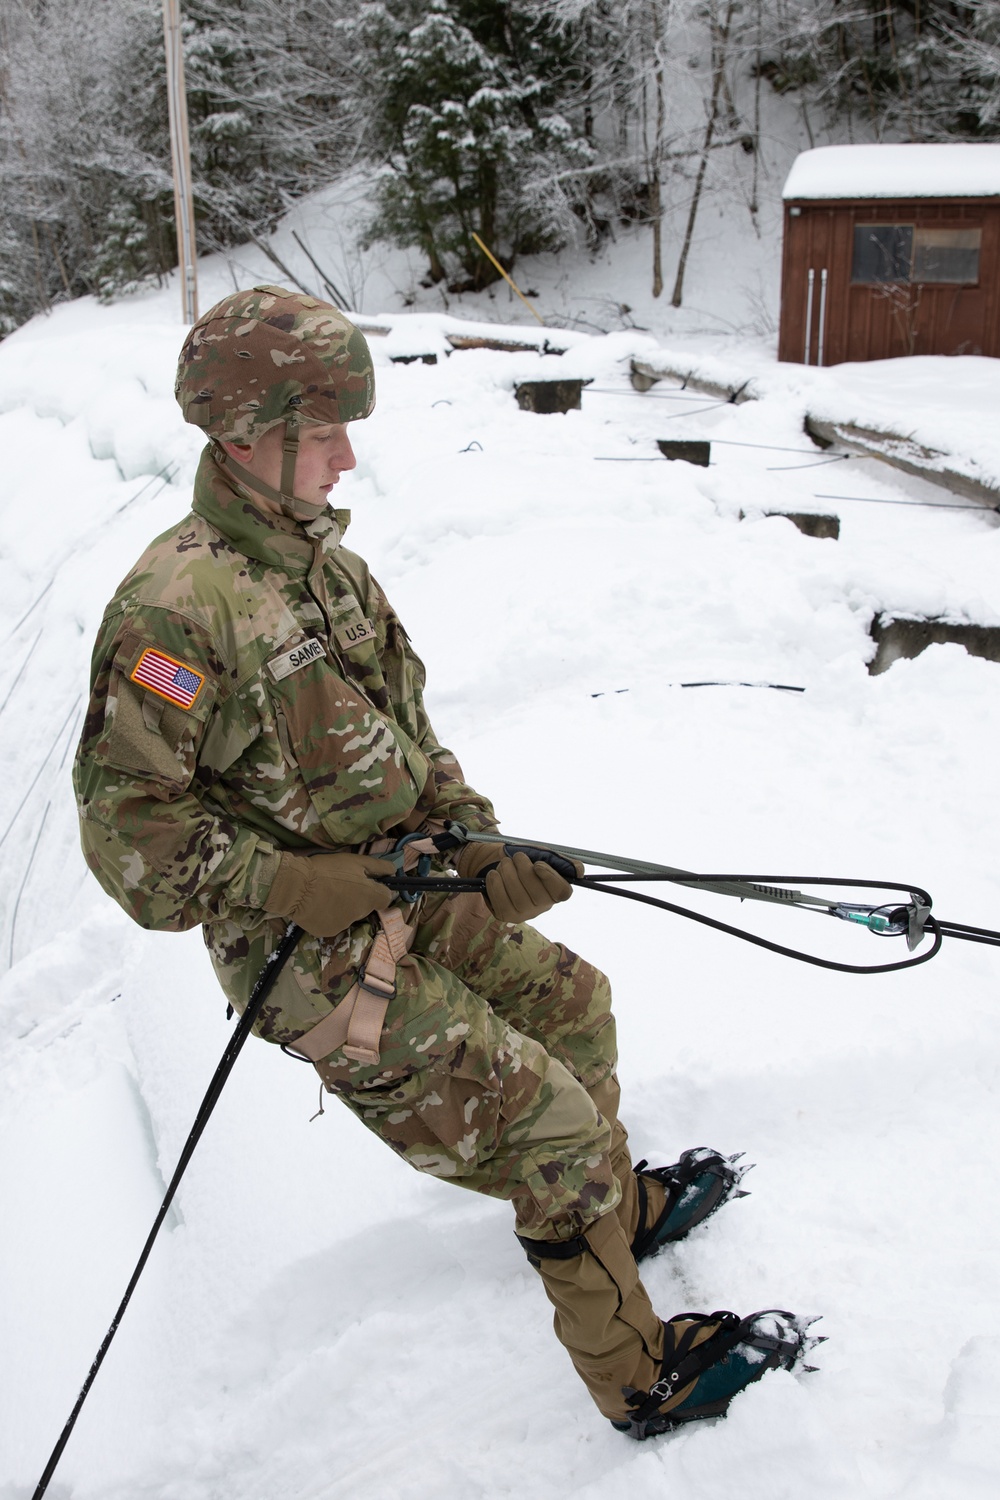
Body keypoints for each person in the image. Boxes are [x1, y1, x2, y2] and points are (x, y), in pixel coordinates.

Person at [72, 285, 810, 1440]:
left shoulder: (327, 569)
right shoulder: (176, 611)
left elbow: (410, 740)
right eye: (322, 435)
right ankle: (635, 1374)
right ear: (243, 435)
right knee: (550, 1125)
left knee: (577, 1006)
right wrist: (285, 884)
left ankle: (605, 1210)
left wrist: (481, 846)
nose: (347, 458)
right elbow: (128, 836)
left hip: (408, 887)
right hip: (306, 955)